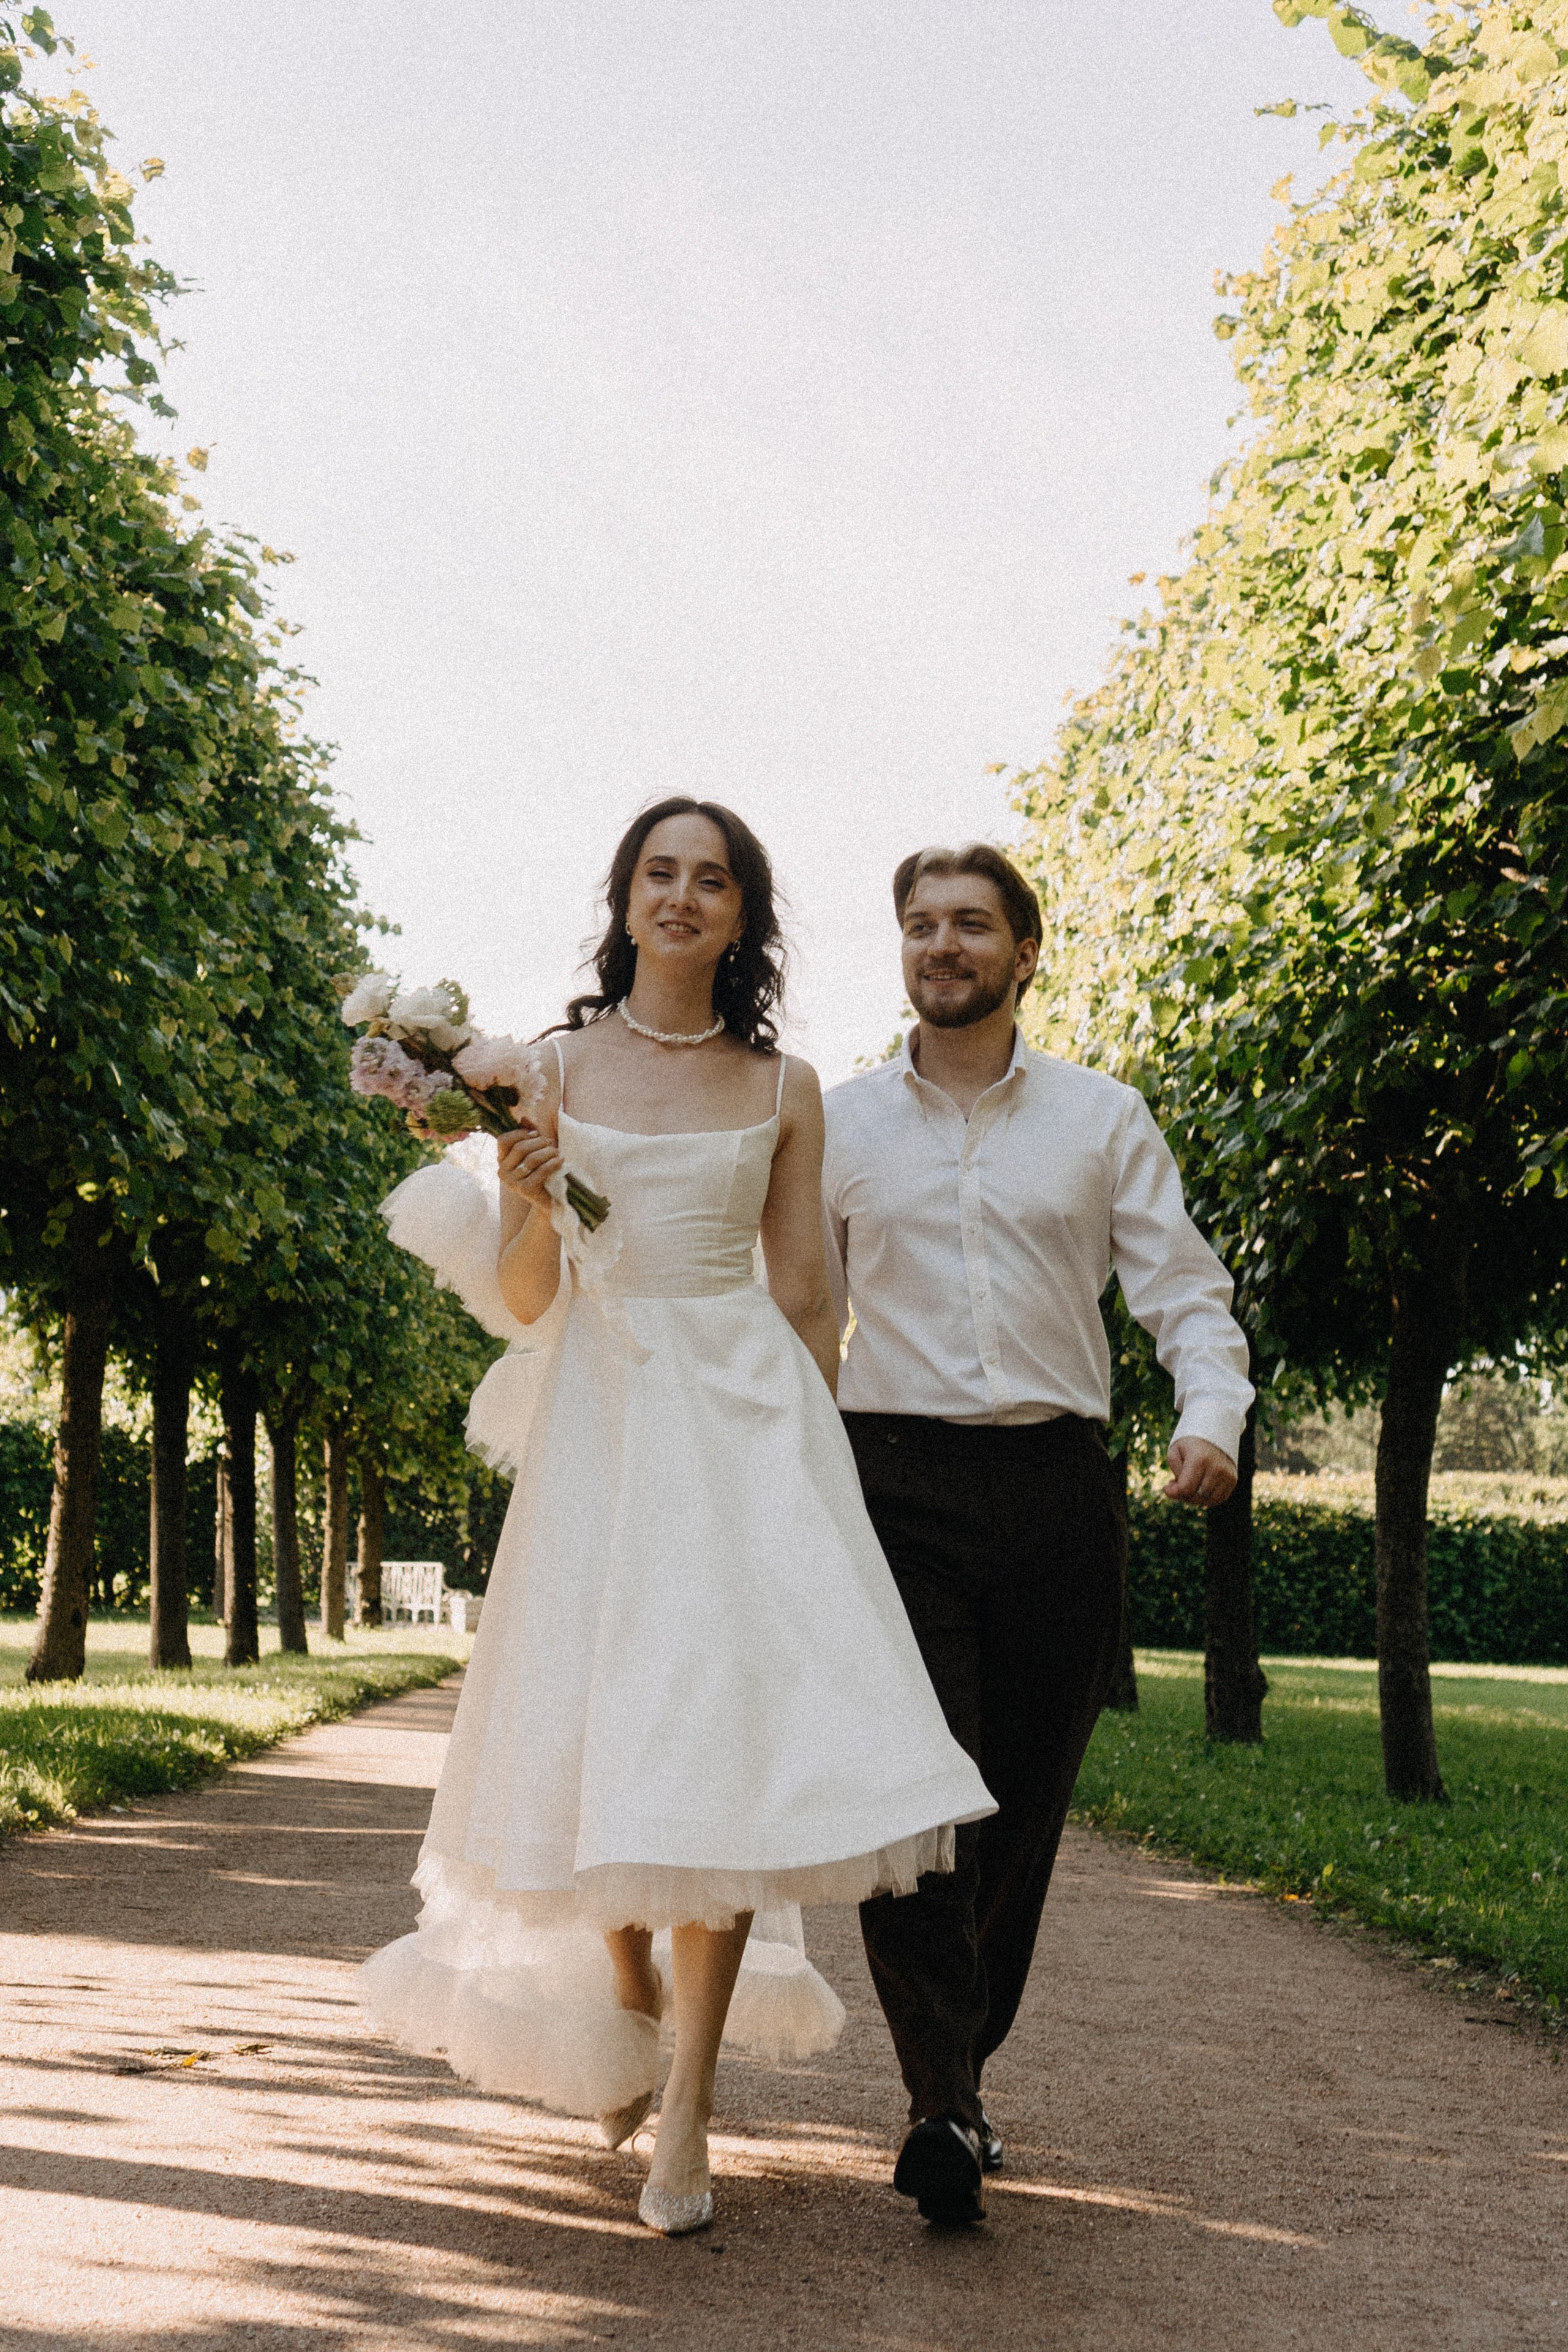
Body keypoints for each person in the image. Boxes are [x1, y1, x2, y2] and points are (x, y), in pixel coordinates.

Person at [359, 800, 992, 2237]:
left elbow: (804, 1295)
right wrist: (523, 1196)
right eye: (661, 874)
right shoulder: (544, 1069)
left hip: (741, 1431)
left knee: (706, 1743)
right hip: (602, 1418)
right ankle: (629, 1987)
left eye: (712, 880)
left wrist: (818, 1472)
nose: (682, 898)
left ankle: (690, 2105)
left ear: (741, 914)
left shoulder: (786, 1086)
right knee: (601, 1727)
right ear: (626, 899)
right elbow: (529, 1299)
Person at [823, 842, 1253, 2227]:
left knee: (1016, 1808)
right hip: (885, 1483)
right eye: (918, 925)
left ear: (1023, 950)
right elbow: (781, 1305)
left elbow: (1184, 1290)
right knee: (912, 1798)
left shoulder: (1101, 1118)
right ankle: (940, 2101)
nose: (939, 945)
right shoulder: (833, 1126)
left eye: (968, 925)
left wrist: (1210, 1416)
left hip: (1059, 1490)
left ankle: (958, 2074)